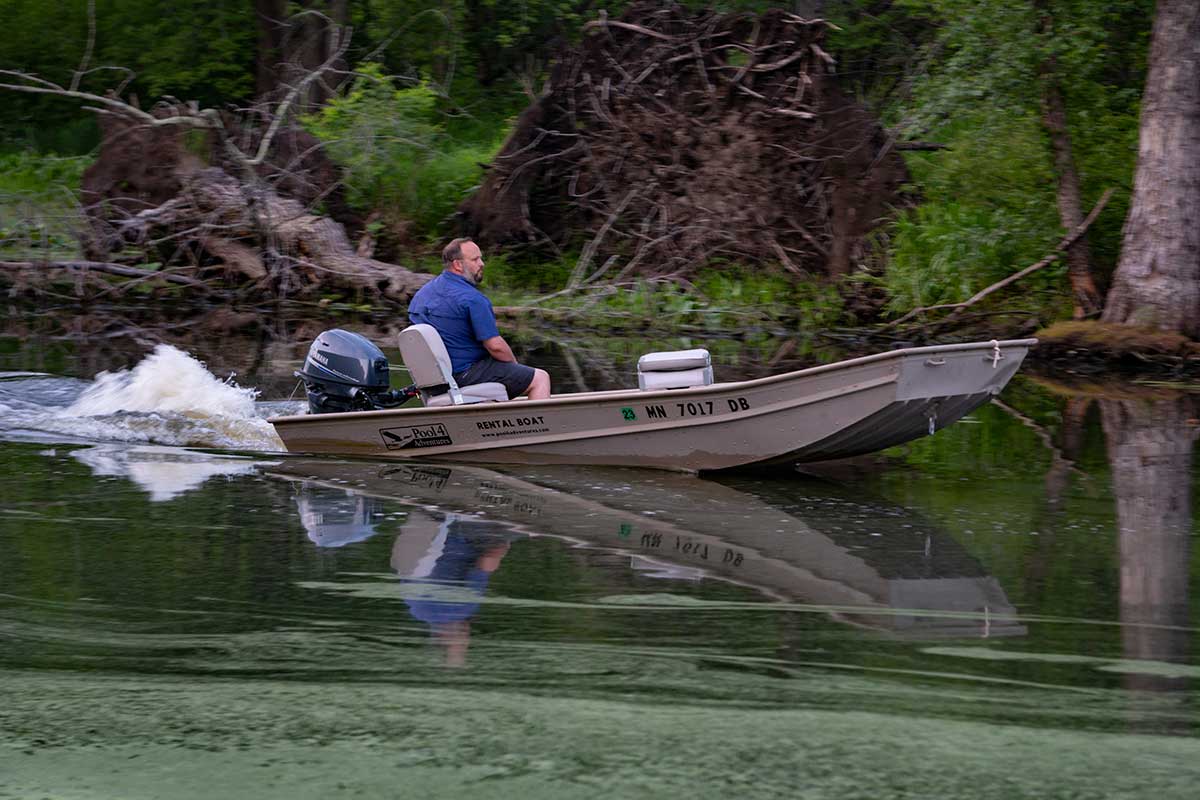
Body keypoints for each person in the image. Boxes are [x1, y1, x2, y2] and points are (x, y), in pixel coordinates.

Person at [408, 238, 551, 400]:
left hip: (434, 382)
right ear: (458, 265)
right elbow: (495, 347)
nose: (482, 263)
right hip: (464, 375)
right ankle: (536, 425)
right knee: (539, 378)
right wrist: (514, 366)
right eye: (475, 259)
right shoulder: (472, 299)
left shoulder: (421, 295)